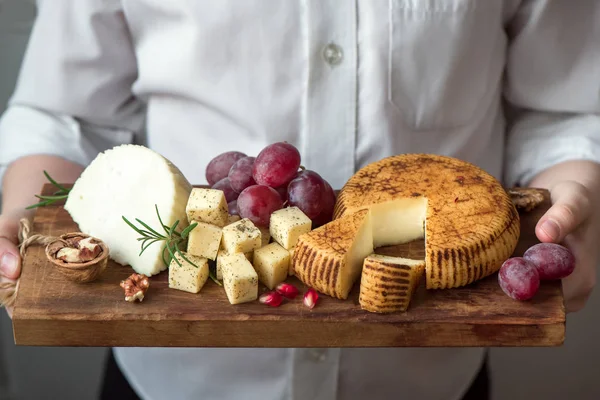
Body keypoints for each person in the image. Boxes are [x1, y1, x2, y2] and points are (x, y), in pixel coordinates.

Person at [1, 1, 599, 399]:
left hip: (428, 379)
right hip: (172, 378)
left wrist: (576, 191)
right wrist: (20, 219)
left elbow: (561, 106)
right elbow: (64, 116)